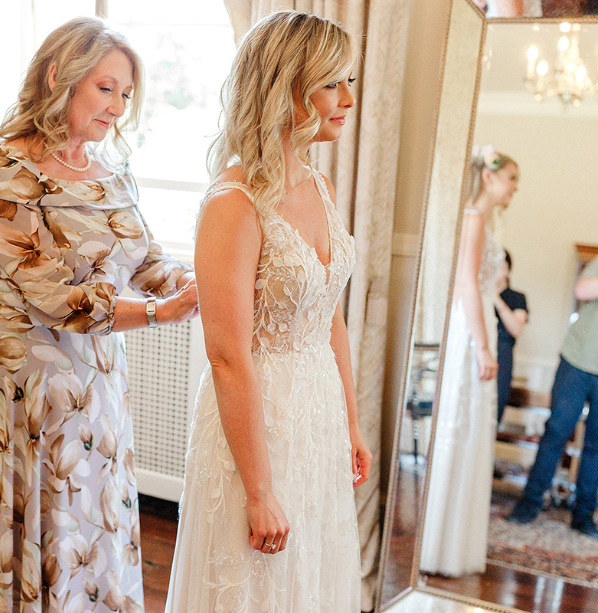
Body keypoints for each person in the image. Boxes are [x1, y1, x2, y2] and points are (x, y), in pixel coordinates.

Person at [0, 18, 199, 612]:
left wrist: (190, 280)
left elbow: (143, 256)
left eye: (126, 94)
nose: (118, 108)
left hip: (95, 381)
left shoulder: (113, 169)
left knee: (87, 523)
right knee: (30, 527)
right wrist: (162, 313)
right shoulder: (6, 172)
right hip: (18, 380)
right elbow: (54, 296)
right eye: (107, 89)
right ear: (60, 77)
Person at [164, 12, 371, 612]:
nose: (348, 99)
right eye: (334, 83)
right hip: (256, 426)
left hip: (319, 415)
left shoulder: (321, 187)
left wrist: (351, 423)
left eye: (348, 81)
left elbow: (329, 315)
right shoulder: (233, 203)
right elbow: (228, 358)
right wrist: (258, 490)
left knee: (309, 581)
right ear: (287, 85)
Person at [419, 146, 518, 576]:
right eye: (512, 179)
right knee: (461, 423)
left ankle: (456, 544)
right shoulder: (474, 219)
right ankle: (440, 544)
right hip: (472, 331)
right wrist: (481, 346)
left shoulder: (483, 221)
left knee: (474, 426)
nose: (516, 188)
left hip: (480, 328)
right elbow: (465, 284)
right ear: (489, 179)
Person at [509, 257, 598, 537]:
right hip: (576, 361)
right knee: (556, 433)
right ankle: (530, 502)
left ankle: (583, 515)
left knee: (596, 447)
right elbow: (582, 290)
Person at [494, 250, 529, 424]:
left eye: (502, 267)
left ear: (508, 270)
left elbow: (516, 329)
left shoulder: (517, 298)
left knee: (496, 405)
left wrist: (495, 299)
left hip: (503, 355)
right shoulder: (478, 293)